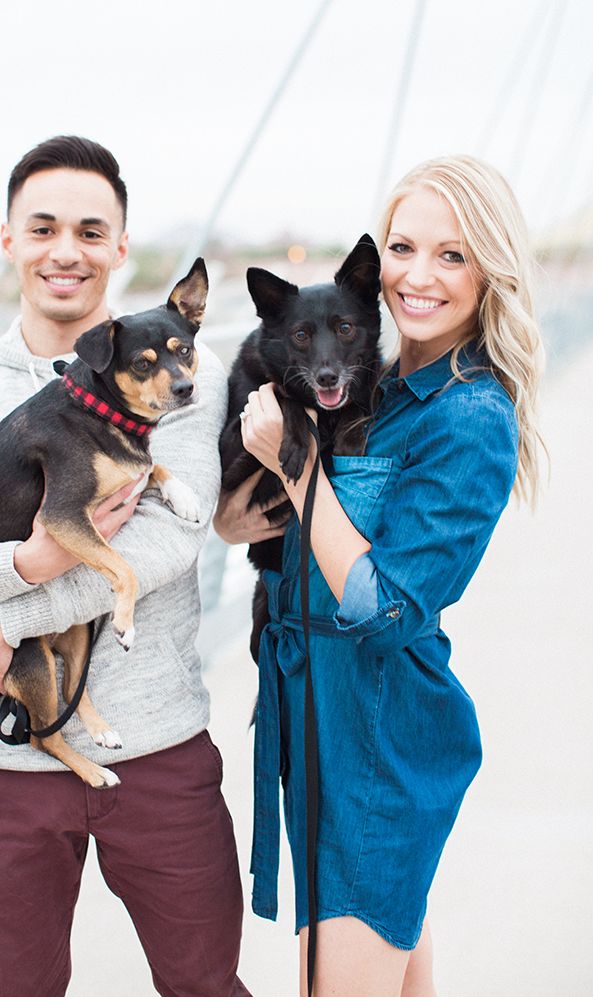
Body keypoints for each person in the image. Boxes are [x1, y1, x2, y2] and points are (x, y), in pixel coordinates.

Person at [0, 135, 252, 997]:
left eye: (90, 229)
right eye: (43, 227)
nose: (66, 250)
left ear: (121, 246)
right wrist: (29, 557)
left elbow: (166, 541)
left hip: (159, 750)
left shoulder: (185, 373)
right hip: (6, 766)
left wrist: (2, 620)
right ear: (8, 239)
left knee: (208, 988)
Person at [214, 154, 545, 997]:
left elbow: (386, 607)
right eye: (403, 246)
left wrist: (293, 467)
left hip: (376, 745)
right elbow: (270, 529)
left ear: (490, 270)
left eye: (453, 253)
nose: (419, 275)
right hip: (321, 724)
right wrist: (232, 513)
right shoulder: (381, 387)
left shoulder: (470, 415)